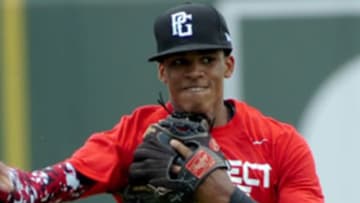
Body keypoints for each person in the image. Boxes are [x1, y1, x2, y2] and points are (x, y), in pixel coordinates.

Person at [0, 2, 324, 203]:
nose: (195, 72)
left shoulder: (279, 143)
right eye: (180, 63)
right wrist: (12, 185)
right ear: (162, 72)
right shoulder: (136, 135)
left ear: (228, 65)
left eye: (207, 59)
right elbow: (50, 185)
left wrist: (225, 195)